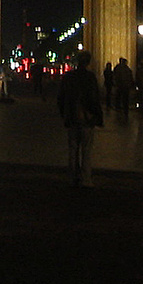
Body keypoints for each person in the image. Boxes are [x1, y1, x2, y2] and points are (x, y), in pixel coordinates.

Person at [57, 51, 105, 187]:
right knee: (86, 150)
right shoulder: (90, 78)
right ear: (88, 62)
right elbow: (95, 99)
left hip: (72, 118)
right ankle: (86, 179)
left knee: (73, 150)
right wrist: (98, 116)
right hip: (87, 119)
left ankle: (72, 177)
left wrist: (64, 114)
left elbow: (61, 98)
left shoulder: (68, 77)